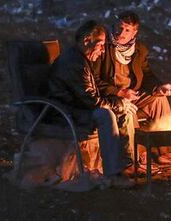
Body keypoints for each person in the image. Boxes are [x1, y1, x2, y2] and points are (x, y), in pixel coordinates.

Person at [91, 11, 171, 166]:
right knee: (128, 110)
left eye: (127, 30)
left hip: (133, 94)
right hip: (112, 96)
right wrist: (119, 92)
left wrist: (158, 87)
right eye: (120, 27)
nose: (122, 33)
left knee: (159, 100)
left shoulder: (139, 50)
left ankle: (169, 152)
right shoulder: (103, 47)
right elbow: (95, 80)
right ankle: (135, 157)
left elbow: (147, 74)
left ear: (134, 32)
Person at [48, 20, 136, 186]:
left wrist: (121, 103)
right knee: (105, 114)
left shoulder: (81, 60)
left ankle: (126, 165)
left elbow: (89, 96)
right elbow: (92, 102)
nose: (103, 51)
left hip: (77, 107)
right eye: (101, 44)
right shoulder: (74, 63)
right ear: (87, 40)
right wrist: (119, 104)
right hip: (65, 112)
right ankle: (113, 174)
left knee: (126, 110)